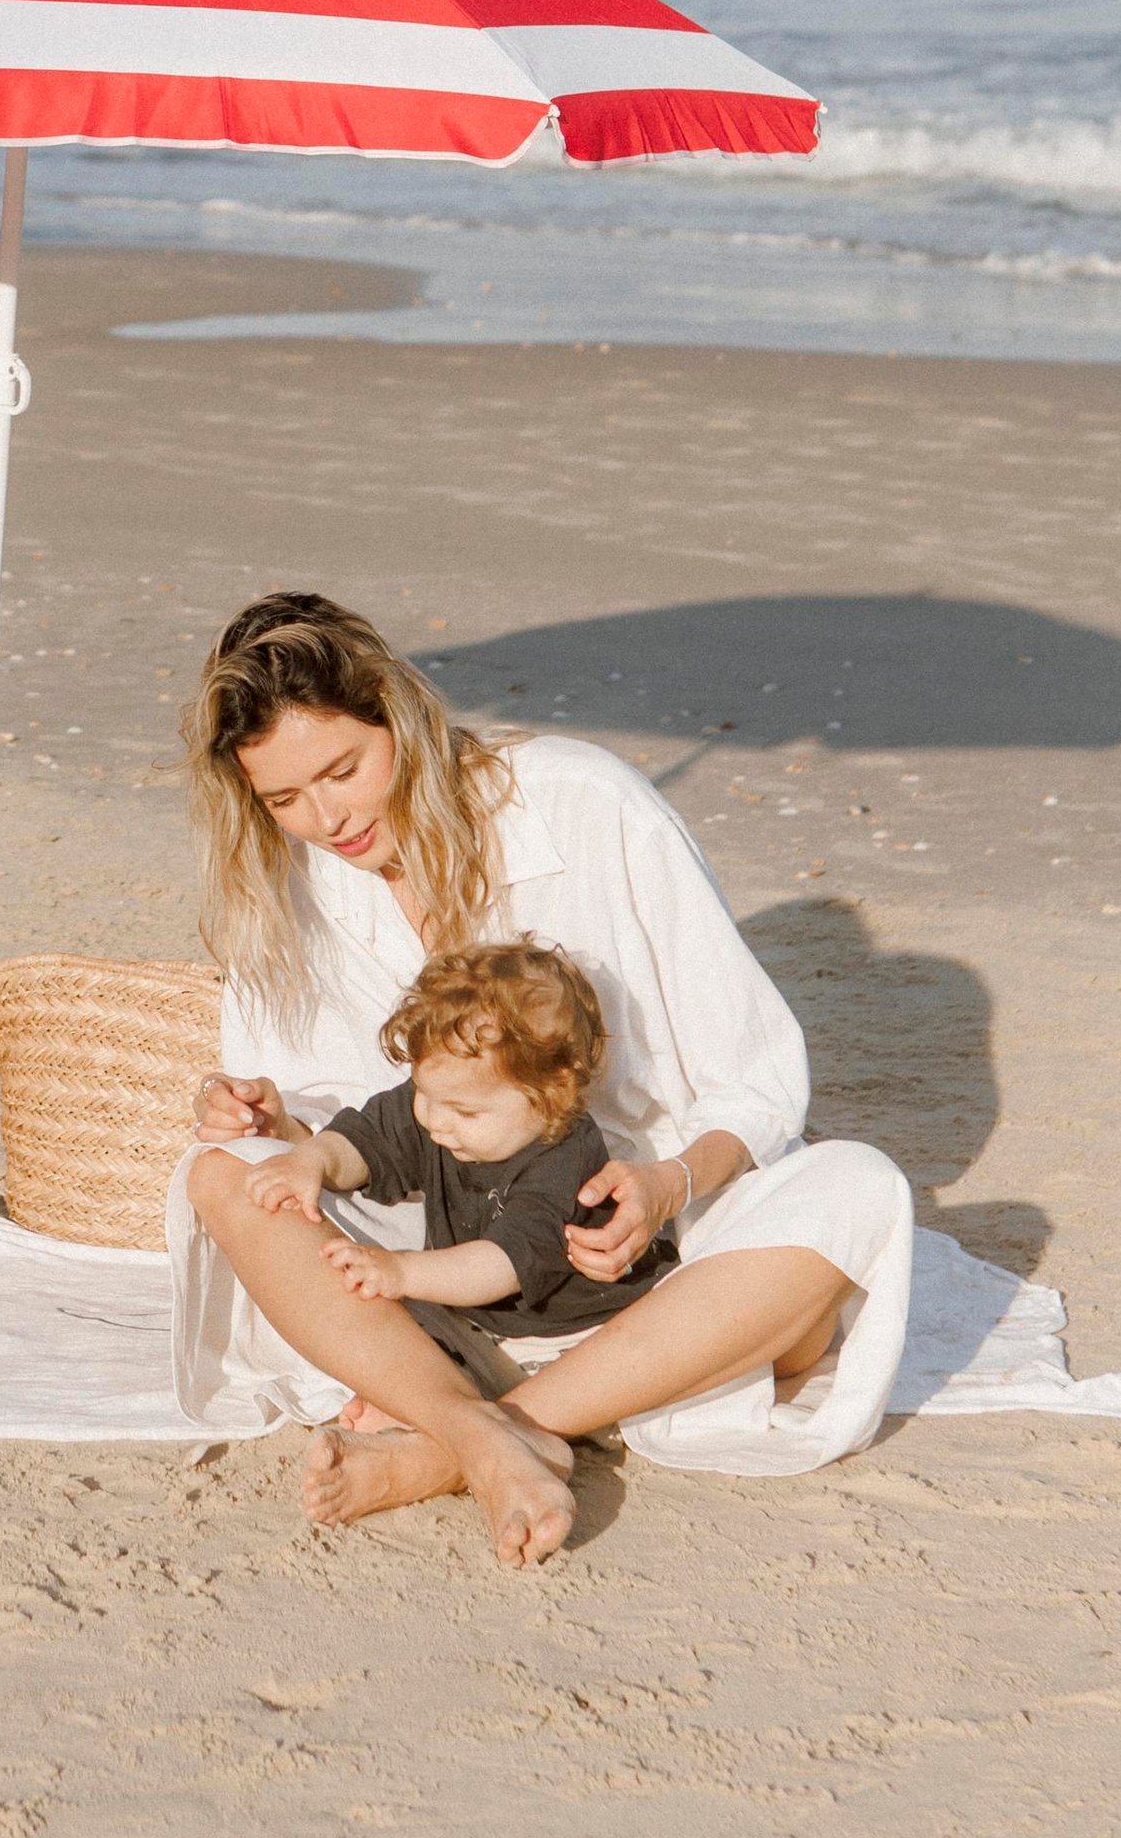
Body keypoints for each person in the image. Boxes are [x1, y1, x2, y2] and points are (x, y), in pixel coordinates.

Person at [170, 593, 914, 1568]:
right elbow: (328, 1101)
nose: (325, 817)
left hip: (639, 1239)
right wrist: (269, 1111)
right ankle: (494, 1433)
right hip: (436, 1243)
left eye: (343, 770)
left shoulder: (584, 803)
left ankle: (457, 1439)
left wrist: (666, 1186)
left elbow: (757, 1082)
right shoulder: (291, 879)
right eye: (282, 800)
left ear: (400, 714)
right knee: (223, 1170)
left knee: (857, 1189)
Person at [250, 940, 680, 1375]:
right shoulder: (444, 1101)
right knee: (386, 1327)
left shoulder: (566, 1161)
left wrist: (400, 1270)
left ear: (552, 1099)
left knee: (592, 1380)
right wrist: (314, 1159)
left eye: (466, 1112)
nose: (435, 1121)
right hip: (478, 1320)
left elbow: (501, 1264)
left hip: (579, 1329)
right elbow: (365, 1141)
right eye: (422, 1093)